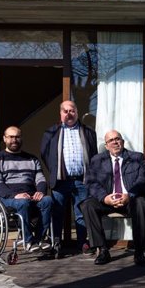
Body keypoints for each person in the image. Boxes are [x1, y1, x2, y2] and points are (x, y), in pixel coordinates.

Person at [80, 130, 145, 266]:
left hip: (131, 199)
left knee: (141, 203)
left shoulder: (136, 157)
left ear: (123, 142)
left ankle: (139, 252)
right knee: (87, 205)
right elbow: (91, 183)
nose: (115, 142)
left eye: (117, 139)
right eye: (111, 140)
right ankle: (102, 250)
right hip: (107, 200)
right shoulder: (97, 160)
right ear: (106, 145)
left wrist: (129, 195)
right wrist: (104, 198)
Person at [40, 100, 98, 257]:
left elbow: (94, 154)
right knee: (57, 212)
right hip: (61, 181)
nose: (69, 114)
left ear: (77, 112)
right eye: (65, 111)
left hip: (82, 179)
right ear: (60, 114)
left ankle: (82, 243)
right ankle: (56, 242)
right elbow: (45, 154)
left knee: (81, 213)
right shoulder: (51, 133)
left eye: (72, 111)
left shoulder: (88, 131)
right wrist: (55, 170)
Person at [0, 126, 53, 252]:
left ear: (21, 138)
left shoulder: (32, 159)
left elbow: (40, 179)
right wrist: (14, 196)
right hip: (7, 198)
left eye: (17, 137)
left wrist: (40, 191)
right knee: (23, 202)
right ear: (4, 139)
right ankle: (28, 241)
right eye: (11, 137)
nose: (14, 140)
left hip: (30, 196)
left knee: (47, 201)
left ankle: (40, 239)